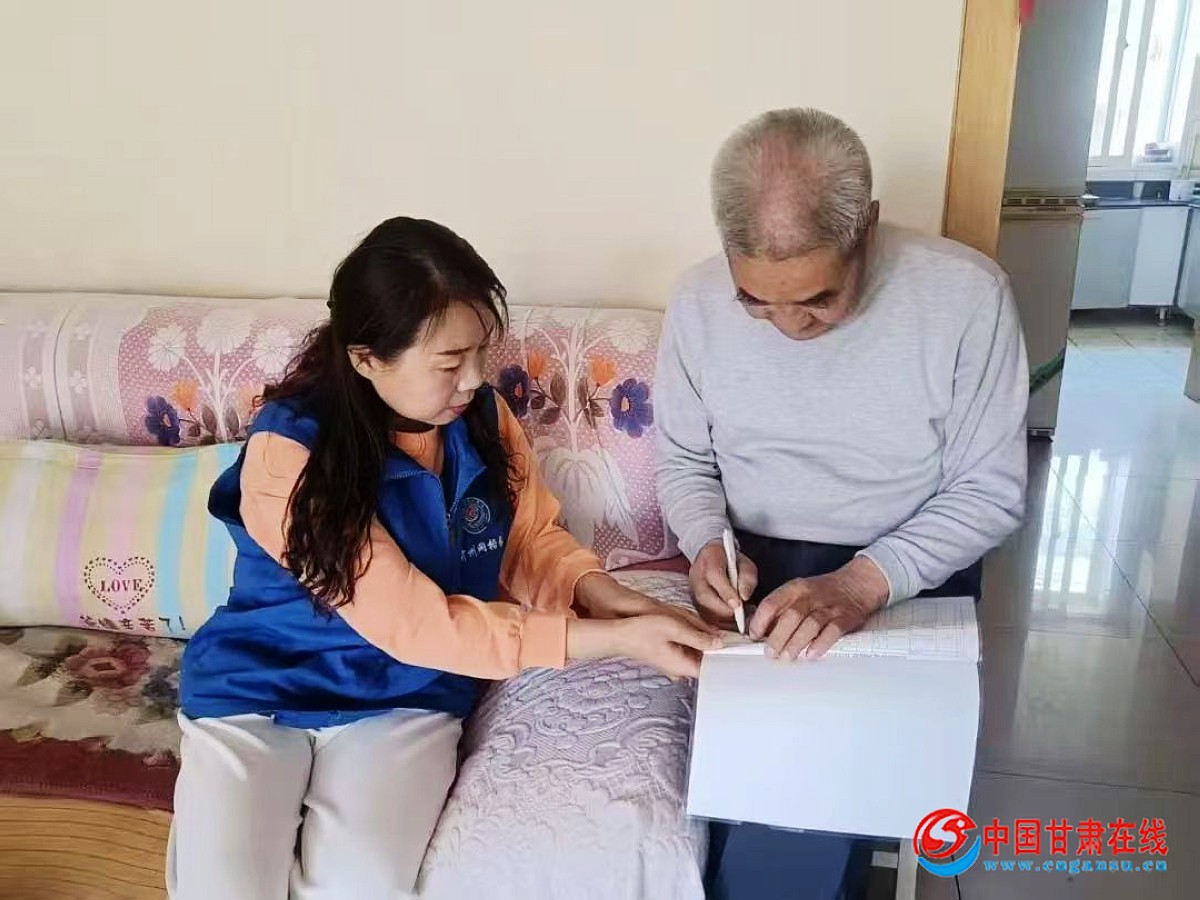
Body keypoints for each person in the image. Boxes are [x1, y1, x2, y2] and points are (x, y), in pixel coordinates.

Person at [168, 217, 721, 900]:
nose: (475, 379)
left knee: (360, 885)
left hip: (404, 698)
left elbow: (528, 541)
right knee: (222, 888)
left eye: (482, 351)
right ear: (366, 358)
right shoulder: (291, 453)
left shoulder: (482, 420)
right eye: (450, 361)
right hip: (258, 690)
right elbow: (414, 622)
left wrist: (609, 596)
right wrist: (618, 640)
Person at [655, 109, 1029, 899]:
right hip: (750, 571)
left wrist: (861, 584)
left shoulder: (967, 297)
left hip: (900, 572)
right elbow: (684, 460)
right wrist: (704, 544)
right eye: (757, 302)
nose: (791, 325)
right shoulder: (694, 302)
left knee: (799, 804)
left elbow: (990, 489)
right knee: (712, 783)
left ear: (868, 228)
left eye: (818, 299)